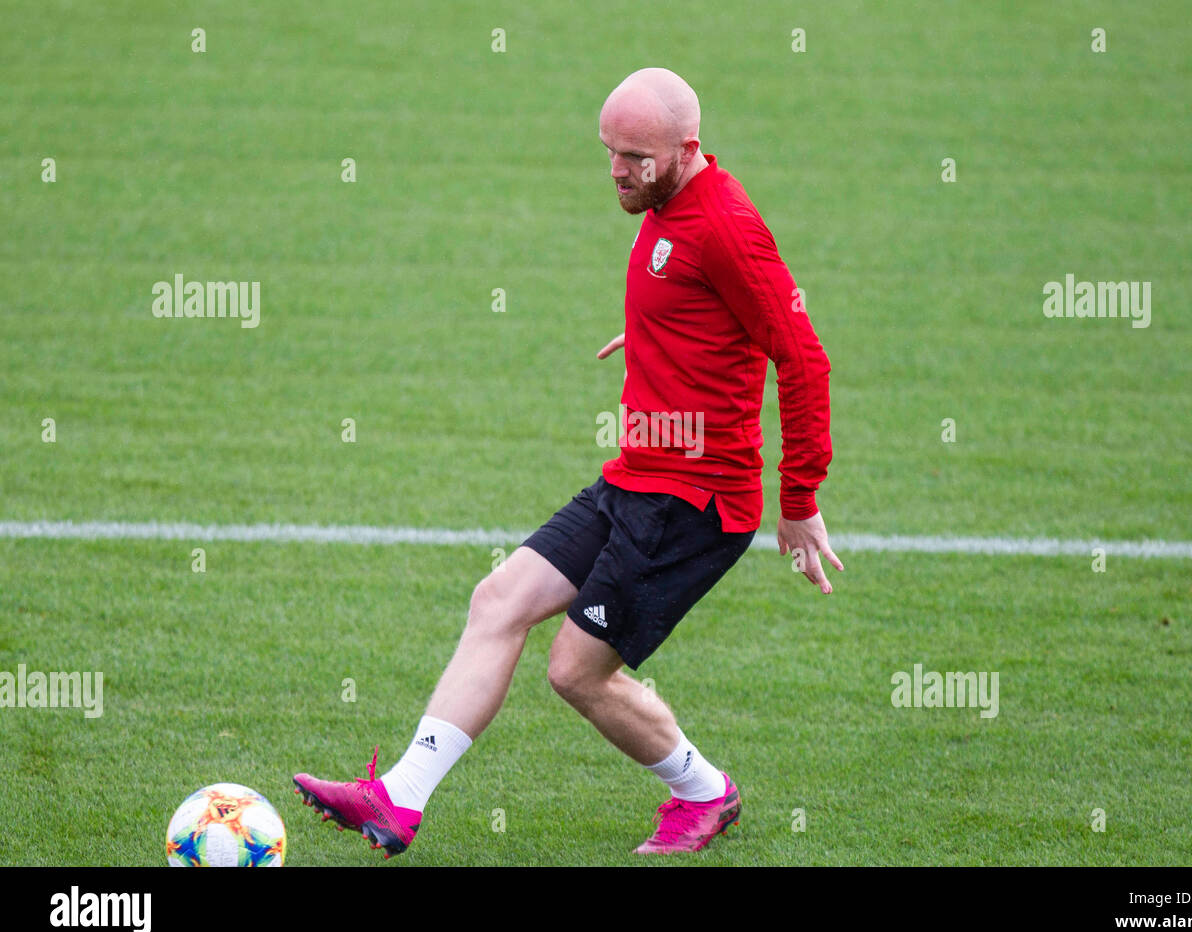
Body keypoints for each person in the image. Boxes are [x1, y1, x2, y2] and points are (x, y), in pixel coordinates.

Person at [293, 67, 840, 857]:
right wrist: (660, 339)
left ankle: (705, 794)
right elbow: (704, 306)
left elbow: (802, 355)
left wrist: (800, 499)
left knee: (576, 672)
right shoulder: (663, 199)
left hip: (694, 501)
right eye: (609, 151)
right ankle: (399, 800)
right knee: (497, 599)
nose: (618, 170)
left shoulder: (725, 224)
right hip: (637, 475)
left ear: (689, 149)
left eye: (636, 157)